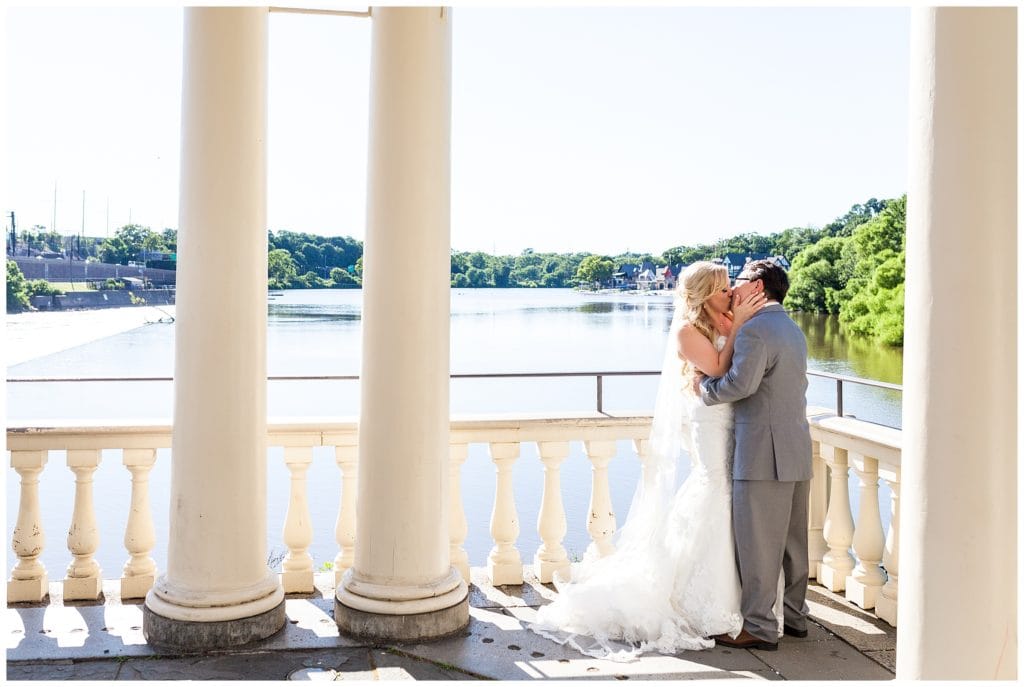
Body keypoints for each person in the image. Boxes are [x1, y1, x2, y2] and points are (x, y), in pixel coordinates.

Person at [528, 261, 766, 660]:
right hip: (710, 421)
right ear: (706, 293)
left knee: (723, 496)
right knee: (715, 488)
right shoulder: (686, 332)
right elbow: (720, 368)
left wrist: (734, 322)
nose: (731, 294)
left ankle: (734, 591)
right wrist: (738, 323)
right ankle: (701, 598)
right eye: (724, 288)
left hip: (730, 420)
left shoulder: (721, 320)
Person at [699, 259, 813, 652]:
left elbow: (739, 386)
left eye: (741, 279)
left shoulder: (756, 331)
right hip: (796, 448)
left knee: (759, 545)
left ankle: (760, 629)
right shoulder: (792, 328)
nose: (733, 287)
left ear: (758, 287)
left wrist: (704, 389)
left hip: (763, 454)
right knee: (794, 545)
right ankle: (796, 618)